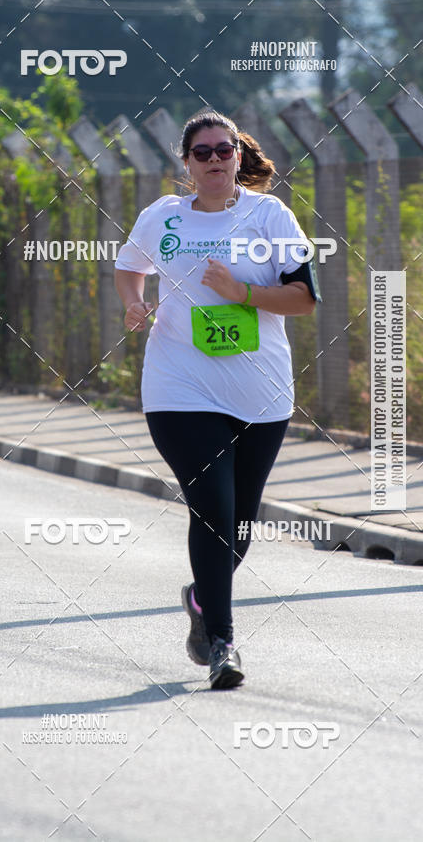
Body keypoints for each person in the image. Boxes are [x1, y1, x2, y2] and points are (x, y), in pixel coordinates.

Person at [115, 111, 320, 690]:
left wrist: (242, 293)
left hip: (260, 392)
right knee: (211, 509)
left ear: (237, 155)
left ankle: (202, 598)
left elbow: (304, 299)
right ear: (186, 162)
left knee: (241, 526)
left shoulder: (270, 214)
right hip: (179, 385)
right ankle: (222, 645)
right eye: (201, 153)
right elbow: (128, 267)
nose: (213, 161)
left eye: (222, 150)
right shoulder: (163, 217)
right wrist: (133, 302)